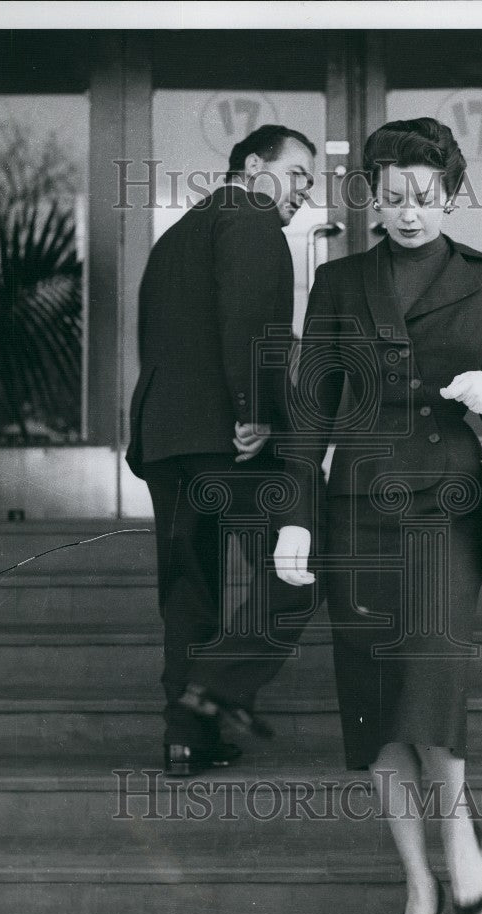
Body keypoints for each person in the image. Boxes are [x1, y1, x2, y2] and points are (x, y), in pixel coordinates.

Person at [273, 117, 482, 914]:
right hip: (356, 512)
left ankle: (456, 832)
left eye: (424, 196)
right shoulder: (340, 282)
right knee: (378, 703)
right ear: (372, 197)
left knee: (431, 677)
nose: (408, 212)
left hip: (447, 508)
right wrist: (296, 518)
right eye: (391, 197)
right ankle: (417, 884)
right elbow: (310, 409)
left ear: (449, 195)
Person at [126, 124, 317, 776]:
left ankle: (186, 742)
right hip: (228, 440)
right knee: (301, 565)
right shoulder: (251, 217)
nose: (302, 194)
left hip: (165, 440)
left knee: (188, 590)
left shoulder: (177, 233)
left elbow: (156, 337)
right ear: (254, 165)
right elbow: (252, 327)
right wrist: (253, 413)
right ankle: (213, 690)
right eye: (296, 176)